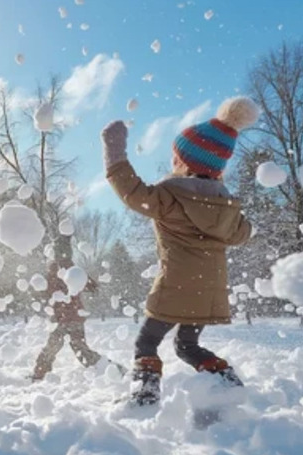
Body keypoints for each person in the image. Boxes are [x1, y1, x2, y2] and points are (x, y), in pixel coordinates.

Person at [101, 96, 256, 406]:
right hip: (209, 292)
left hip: (176, 287)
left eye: (175, 158)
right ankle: (226, 379)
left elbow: (132, 193)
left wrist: (114, 152)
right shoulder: (225, 207)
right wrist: (230, 211)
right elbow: (243, 234)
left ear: (185, 164)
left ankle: (145, 393)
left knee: (146, 343)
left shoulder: (170, 197)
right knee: (186, 345)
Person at [32, 256, 122, 381]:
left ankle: (39, 374)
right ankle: (111, 370)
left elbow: (42, 291)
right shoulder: (73, 271)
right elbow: (92, 286)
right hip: (71, 319)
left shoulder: (55, 273)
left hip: (65, 319)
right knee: (80, 350)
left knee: (54, 348)